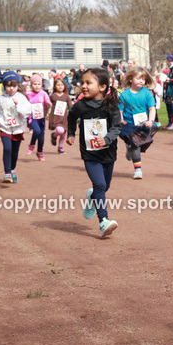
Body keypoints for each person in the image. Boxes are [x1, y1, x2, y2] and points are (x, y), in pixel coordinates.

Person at [66, 68, 122, 238]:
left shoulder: (111, 105)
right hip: (90, 153)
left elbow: (116, 127)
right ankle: (103, 221)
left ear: (102, 87)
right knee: (100, 185)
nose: (83, 86)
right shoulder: (80, 105)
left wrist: (106, 139)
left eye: (88, 83)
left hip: (108, 152)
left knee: (104, 187)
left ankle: (92, 197)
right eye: (82, 82)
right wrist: (70, 133)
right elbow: (71, 116)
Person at [0, 71, 32, 183]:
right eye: (8, 86)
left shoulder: (21, 98)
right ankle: (7, 173)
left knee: (14, 151)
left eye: (14, 86)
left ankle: (13, 169)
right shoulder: (1, 98)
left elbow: (27, 112)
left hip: (17, 128)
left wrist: (18, 105)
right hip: (5, 127)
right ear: (4, 86)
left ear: (18, 86)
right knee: (7, 148)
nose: (11, 88)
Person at [118, 67, 157, 180]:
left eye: (143, 79)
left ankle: (129, 148)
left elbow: (152, 109)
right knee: (136, 145)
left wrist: (151, 120)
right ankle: (138, 170)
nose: (141, 81)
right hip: (129, 125)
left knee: (139, 146)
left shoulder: (147, 93)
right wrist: (121, 119)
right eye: (138, 78)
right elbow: (120, 109)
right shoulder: (124, 95)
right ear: (130, 79)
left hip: (143, 125)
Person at [24, 74, 52, 161]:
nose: (37, 86)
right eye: (35, 84)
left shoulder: (43, 94)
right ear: (31, 85)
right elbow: (22, 102)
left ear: (41, 84)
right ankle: (32, 145)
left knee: (41, 137)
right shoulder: (28, 94)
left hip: (41, 119)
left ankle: (40, 152)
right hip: (32, 118)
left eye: (38, 84)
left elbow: (48, 101)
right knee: (36, 131)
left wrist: (48, 104)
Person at [48, 78, 71, 154]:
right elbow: (48, 104)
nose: (60, 86)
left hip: (64, 118)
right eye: (58, 85)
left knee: (63, 134)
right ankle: (54, 135)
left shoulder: (66, 96)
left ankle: (60, 148)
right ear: (54, 86)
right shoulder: (53, 96)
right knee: (60, 131)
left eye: (62, 85)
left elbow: (70, 106)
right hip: (56, 117)